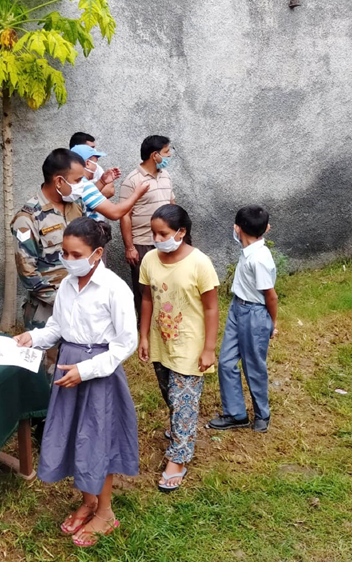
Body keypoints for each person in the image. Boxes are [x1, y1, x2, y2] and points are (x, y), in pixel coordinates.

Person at [13, 217, 139, 547]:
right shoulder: (68, 285)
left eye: (75, 254)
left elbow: (125, 343)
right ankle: (89, 501)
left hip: (98, 375)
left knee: (98, 440)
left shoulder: (114, 288)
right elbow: (58, 328)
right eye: (64, 253)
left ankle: (106, 513)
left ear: (97, 253)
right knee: (74, 437)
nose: (68, 260)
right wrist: (33, 337)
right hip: (68, 367)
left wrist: (85, 371)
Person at [137, 204, 219, 492]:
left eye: (163, 233)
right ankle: (179, 427)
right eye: (154, 233)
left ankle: (179, 458)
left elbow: (211, 308)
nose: (158, 239)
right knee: (170, 394)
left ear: (181, 232)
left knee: (184, 399)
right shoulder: (149, 260)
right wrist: (144, 335)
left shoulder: (200, 263)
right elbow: (147, 299)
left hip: (190, 345)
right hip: (162, 342)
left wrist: (209, 348)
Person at [207, 206, 278, 433]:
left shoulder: (259, 259)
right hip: (237, 309)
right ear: (265, 229)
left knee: (254, 366)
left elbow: (271, 296)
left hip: (255, 314)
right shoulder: (248, 250)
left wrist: (272, 323)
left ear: (237, 229)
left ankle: (261, 415)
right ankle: (236, 414)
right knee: (226, 362)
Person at [11, 149, 86, 330]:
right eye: (77, 180)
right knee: (51, 359)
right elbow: (28, 273)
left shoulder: (77, 205)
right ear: (59, 181)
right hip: (47, 313)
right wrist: (64, 302)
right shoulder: (27, 219)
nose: (82, 185)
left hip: (80, 302)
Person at [119, 135, 177, 319]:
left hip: (167, 242)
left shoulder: (166, 175)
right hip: (143, 243)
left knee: (168, 284)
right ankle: (144, 327)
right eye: (166, 152)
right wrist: (130, 247)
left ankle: (166, 321)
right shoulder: (133, 180)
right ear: (155, 155)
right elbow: (124, 215)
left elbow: (172, 204)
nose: (169, 155)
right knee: (144, 289)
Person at [71, 144, 149, 223]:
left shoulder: (75, 182)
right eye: (95, 162)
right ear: (87, 163)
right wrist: (137, 194)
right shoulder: (84, 184)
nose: (97, 166)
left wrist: (102, 181)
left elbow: (85, 199)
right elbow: (114, 213)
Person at [69, 132, 119, 197]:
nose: (96, 165)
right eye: (91, 148)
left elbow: (110, 190)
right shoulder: (68, 175)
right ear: (87, 163)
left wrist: (102, 182)